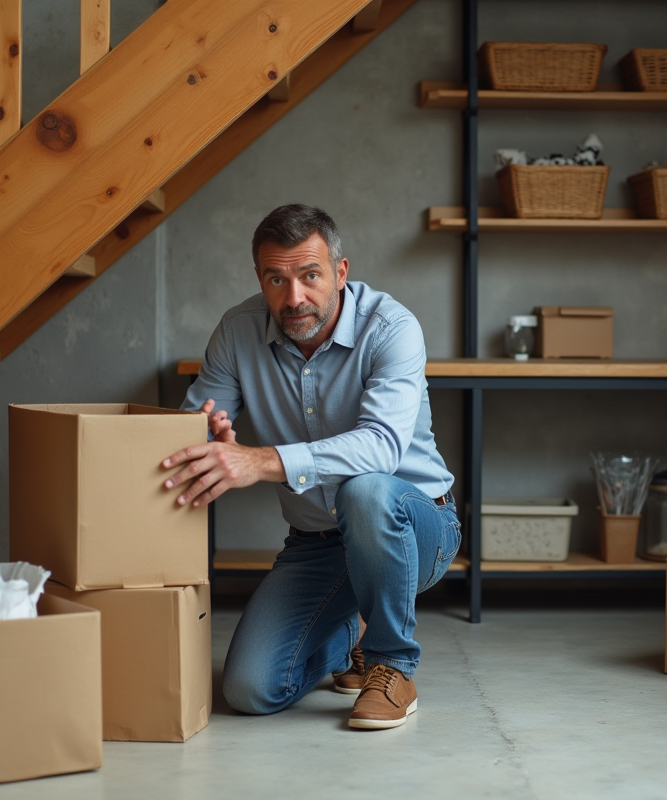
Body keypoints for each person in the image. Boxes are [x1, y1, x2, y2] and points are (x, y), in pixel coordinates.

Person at [161, 204, 459, 730]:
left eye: (310, 275)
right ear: (260, 278)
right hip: (317, 542)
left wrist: (261, 460)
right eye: (277, 279)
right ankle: (349, 632)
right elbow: (193, 425)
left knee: (365, 491)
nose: (293, 297)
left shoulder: (391, 328)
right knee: (250, 689)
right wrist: (210, 436)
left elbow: (382, 447)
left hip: (416, 528)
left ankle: (392, 666)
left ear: (340, 273)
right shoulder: (237, 332)